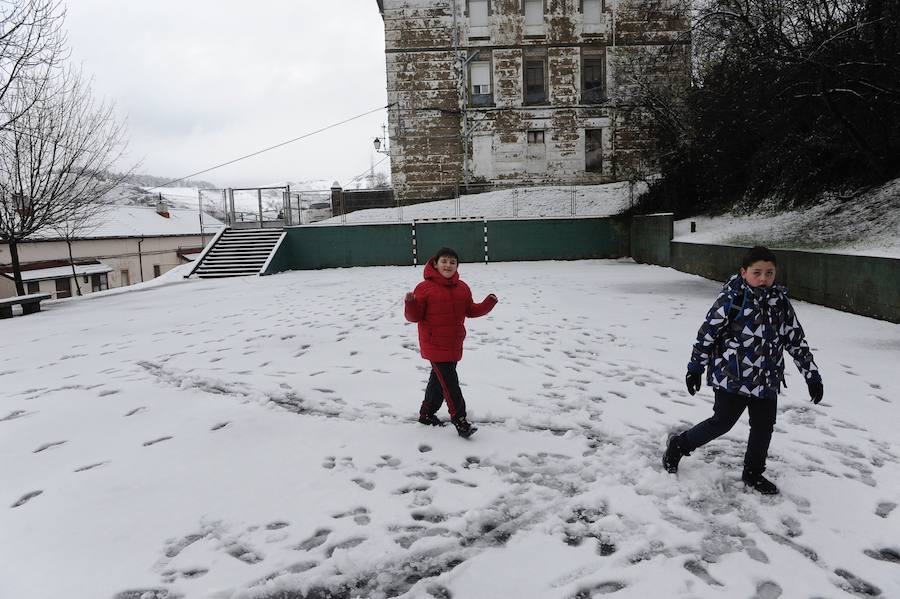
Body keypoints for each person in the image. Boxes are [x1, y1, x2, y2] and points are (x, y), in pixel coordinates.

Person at [662, 246, 824, 495]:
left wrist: (811, 375)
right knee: (721, 423)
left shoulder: (780, 303)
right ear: (744, 272)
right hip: (732, 377)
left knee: (763, 427)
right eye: (757, 272)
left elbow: (795, 339)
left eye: (769, 273)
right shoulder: (733, 299)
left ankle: (753, 472)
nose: (763, 278)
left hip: (767, 378)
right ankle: (679, 445)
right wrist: (695, 368)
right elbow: (707, 334)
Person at [404, 247, 497, 438]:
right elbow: (414, 317)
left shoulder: (462, 287)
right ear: (436, 264)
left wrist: (488, 303)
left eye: (452, 262)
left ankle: (427, 414)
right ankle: (460, 420)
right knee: (450, 384)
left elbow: (471, 310)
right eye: (444, 261)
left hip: (454, 342)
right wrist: (411, 303)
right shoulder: (424, 288)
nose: (448, 265)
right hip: (435, 344)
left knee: (438, 381)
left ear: (457, 266)